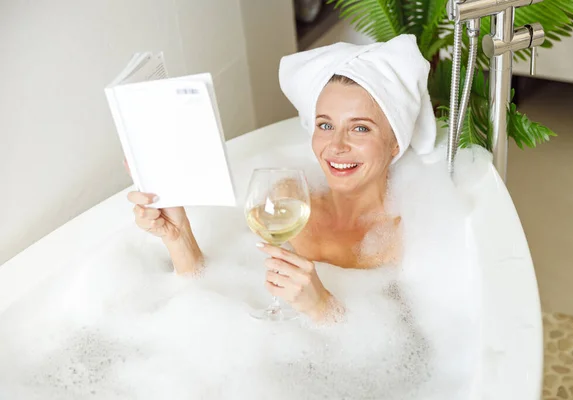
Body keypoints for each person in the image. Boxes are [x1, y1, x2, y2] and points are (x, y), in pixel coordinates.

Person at [126, 34, 438, 322]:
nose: (337, 146)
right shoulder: (287, 198)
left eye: (360, 128)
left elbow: (406, 357)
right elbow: (214, 301)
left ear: (396, 141)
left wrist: (322, 307)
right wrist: (178, 235)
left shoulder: (408, 239)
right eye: (325, 125)